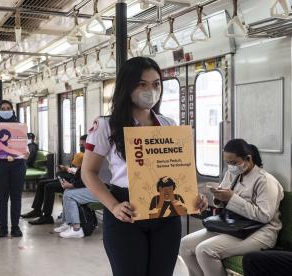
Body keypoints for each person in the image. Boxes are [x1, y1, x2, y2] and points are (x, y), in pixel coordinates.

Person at [81, 57, 208, 276]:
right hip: (126, 210)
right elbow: (88, 173)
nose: (151, 90)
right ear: (127, 87)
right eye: (143, 84)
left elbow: (177, 170)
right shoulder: (105, 125)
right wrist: (113, 206)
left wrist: (193, 196)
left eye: (156, 84)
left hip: (167, 214)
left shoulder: (168, 125)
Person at [180, 139, 284, 276]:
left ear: (248, 158)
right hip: (234, 225)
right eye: (228, 163)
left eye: (234, 163)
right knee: (185, 244)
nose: (231, 167)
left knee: (204, 250)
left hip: (261, 232)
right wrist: (218, 197)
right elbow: (224, 200)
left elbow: (264, 216)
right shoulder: (232, 174)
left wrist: (231, 198)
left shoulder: (265, 181)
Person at [0, 100, 28, 238]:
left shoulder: (19, 126)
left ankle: (15, 227)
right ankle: (3, 228)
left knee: (16, 196)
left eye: (8, 108)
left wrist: (27, 152)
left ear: (13, 110)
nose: (6, 110)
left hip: (18, 164)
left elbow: (24, 145)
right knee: (2, 197)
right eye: (3, 108)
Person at [21, 135, 87, 225]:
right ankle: (37, 210)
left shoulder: (90, 157)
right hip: (72, 177)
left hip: (75, 182)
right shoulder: (83, 155)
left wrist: (68, 171)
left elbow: (84, 174)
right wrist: (67, 169)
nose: (81, 146)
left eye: (82, 144)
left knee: (49, 187)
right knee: (41, 183)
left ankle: (47, 216)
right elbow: (78, 170)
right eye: (80, 144)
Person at [53, 167, 99, 239]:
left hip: (104, 189)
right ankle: (68, 223)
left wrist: (73, 185)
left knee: (69, 195)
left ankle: (76, 229)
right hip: (97, 186)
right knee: (67, 191)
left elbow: (92, 177)